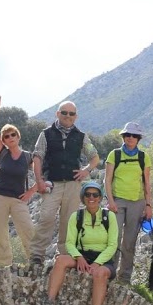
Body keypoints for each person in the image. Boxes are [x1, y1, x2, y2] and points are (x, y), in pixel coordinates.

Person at [34, 181, 118, 305]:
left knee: (100, 274)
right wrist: (78, 257)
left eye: (95, 195)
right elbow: (69, 243)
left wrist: (98, 263)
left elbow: (112, 245)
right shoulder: (76, 216)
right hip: (82, 255)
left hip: (104, 259)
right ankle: (50, 301)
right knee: (60, 260)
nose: (91, 198)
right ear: (83, 197)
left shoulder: (109, 217)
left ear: (100, 198)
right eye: (87, 194)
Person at [30, 100, 100, 269]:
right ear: (57, 114)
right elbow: (37, 157)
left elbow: (95, 157)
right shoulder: (45, 134)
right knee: (46, 216)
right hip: (51, 183)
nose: (68, 116)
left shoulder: (82, 136)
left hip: (73, 184)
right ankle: (37, 255)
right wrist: (38, 180)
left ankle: (64, 255)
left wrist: (86, 170)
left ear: (76, 117)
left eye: (71, 114)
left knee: (68, 221)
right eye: (64, 113)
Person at [0, 96, 36, 266]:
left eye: (13, 134)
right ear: (4, 141)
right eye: (7, 136)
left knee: (28, 230)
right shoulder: (3, 153)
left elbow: (42, 175)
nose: (10, 137)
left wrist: (31, 191)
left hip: (18, 199)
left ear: (18, 136)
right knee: (1, 233)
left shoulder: (29, 156)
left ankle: (35, 263)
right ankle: (4, 266)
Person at [103, 121, 152, 284]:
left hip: (137, 203)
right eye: (127, 135)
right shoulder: (114, 155)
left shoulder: (143, 157)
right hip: (117, 201)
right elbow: (107, 180)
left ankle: (125, 277)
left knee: (129, 242)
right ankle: (109, 274)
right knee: (113, 240)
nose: (130, 138)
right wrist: (110, 202)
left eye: (134, 136)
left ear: (138, 138)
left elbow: (146, 183)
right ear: (123, 137)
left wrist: (148, 205)